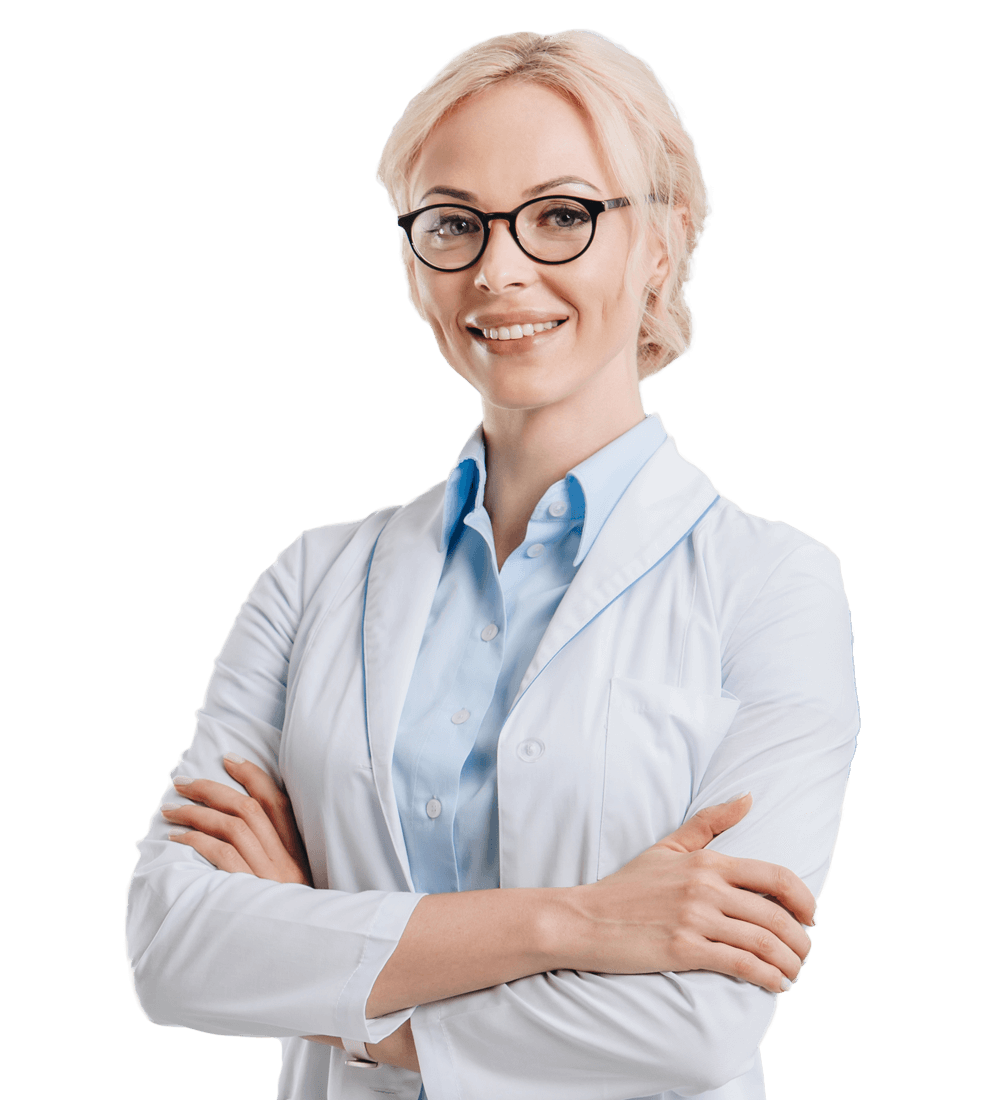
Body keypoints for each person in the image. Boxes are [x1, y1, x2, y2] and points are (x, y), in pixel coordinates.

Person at [125, 28, 858, 1100]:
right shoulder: (312, 578)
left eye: (561, 215)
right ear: (412, 262)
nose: (499, 269)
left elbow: (696, 1025)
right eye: (453, 223)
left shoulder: (773, 584)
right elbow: (172, 947)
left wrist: (326, 974)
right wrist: (580, 921)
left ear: (662, 242)